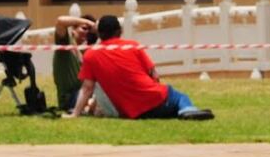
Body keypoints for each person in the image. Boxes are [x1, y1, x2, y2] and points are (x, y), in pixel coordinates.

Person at [69, 14, 212, 120]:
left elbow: (87, 88)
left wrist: (75, 113)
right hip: (156, 100)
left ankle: (183, 111)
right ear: (119, 31)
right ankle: (187, 109)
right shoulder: (132, 46)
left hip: (131, 112)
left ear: (99, 34)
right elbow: (154, 75)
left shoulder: (90, 55)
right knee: (177, 96)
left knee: (168, 104)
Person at [51, 16, 85, 112]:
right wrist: (89, 23)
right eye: (84, 28)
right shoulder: (65, 45)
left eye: (89, 30)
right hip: (70, 98)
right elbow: (61, 21)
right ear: (73, 29)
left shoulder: (83, 50)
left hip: (82, 94)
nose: (86, 32)